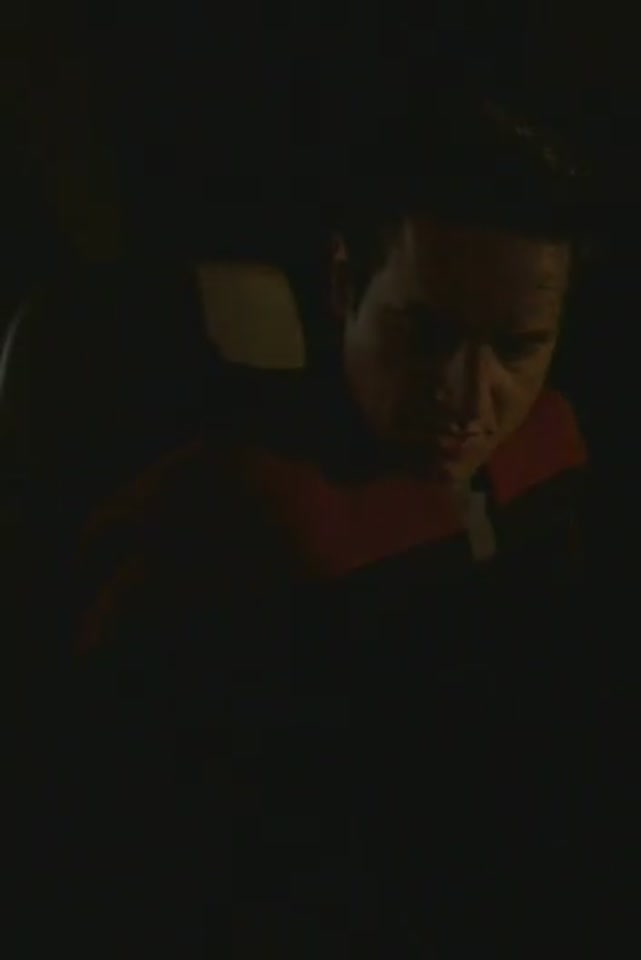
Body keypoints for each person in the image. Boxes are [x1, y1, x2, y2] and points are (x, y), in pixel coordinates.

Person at [53, 92, 607, 956]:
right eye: (425, 336)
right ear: (346, 283)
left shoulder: (552, 446)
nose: (471, 399)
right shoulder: (219, 520)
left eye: (518, 346)